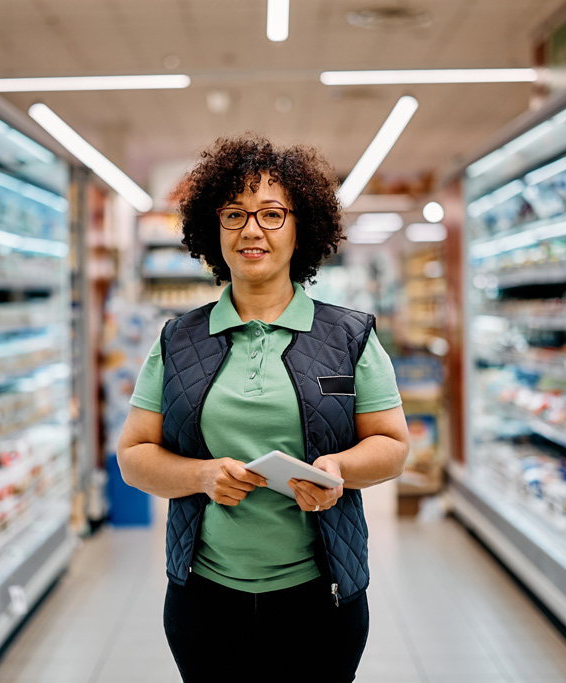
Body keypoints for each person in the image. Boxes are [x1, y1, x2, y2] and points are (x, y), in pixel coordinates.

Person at [117, 135, 409, 683]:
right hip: (204, 600)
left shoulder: (349, 336)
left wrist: (340, 469)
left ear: (301, 228)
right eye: (235, 214)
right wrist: (200, 475)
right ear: (214, 228)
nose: (252, 230)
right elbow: (133, 456)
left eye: (272, 214)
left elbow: (393, 448)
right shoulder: (177, 340)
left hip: (322, 599)